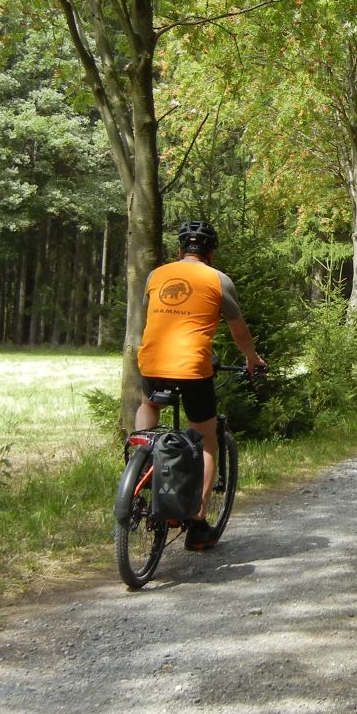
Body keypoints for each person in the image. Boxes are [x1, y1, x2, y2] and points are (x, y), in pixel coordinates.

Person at [136, 219, 266, 550]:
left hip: (152, 361)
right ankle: (197, 523)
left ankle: (141, 460)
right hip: (193, 367)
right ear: (210, 253)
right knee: (207, 438)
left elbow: (153, 315)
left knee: (149, 403)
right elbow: (239, 330)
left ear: (179, 250)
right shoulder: (218, 280)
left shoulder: (156, 275)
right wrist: (252, 358)